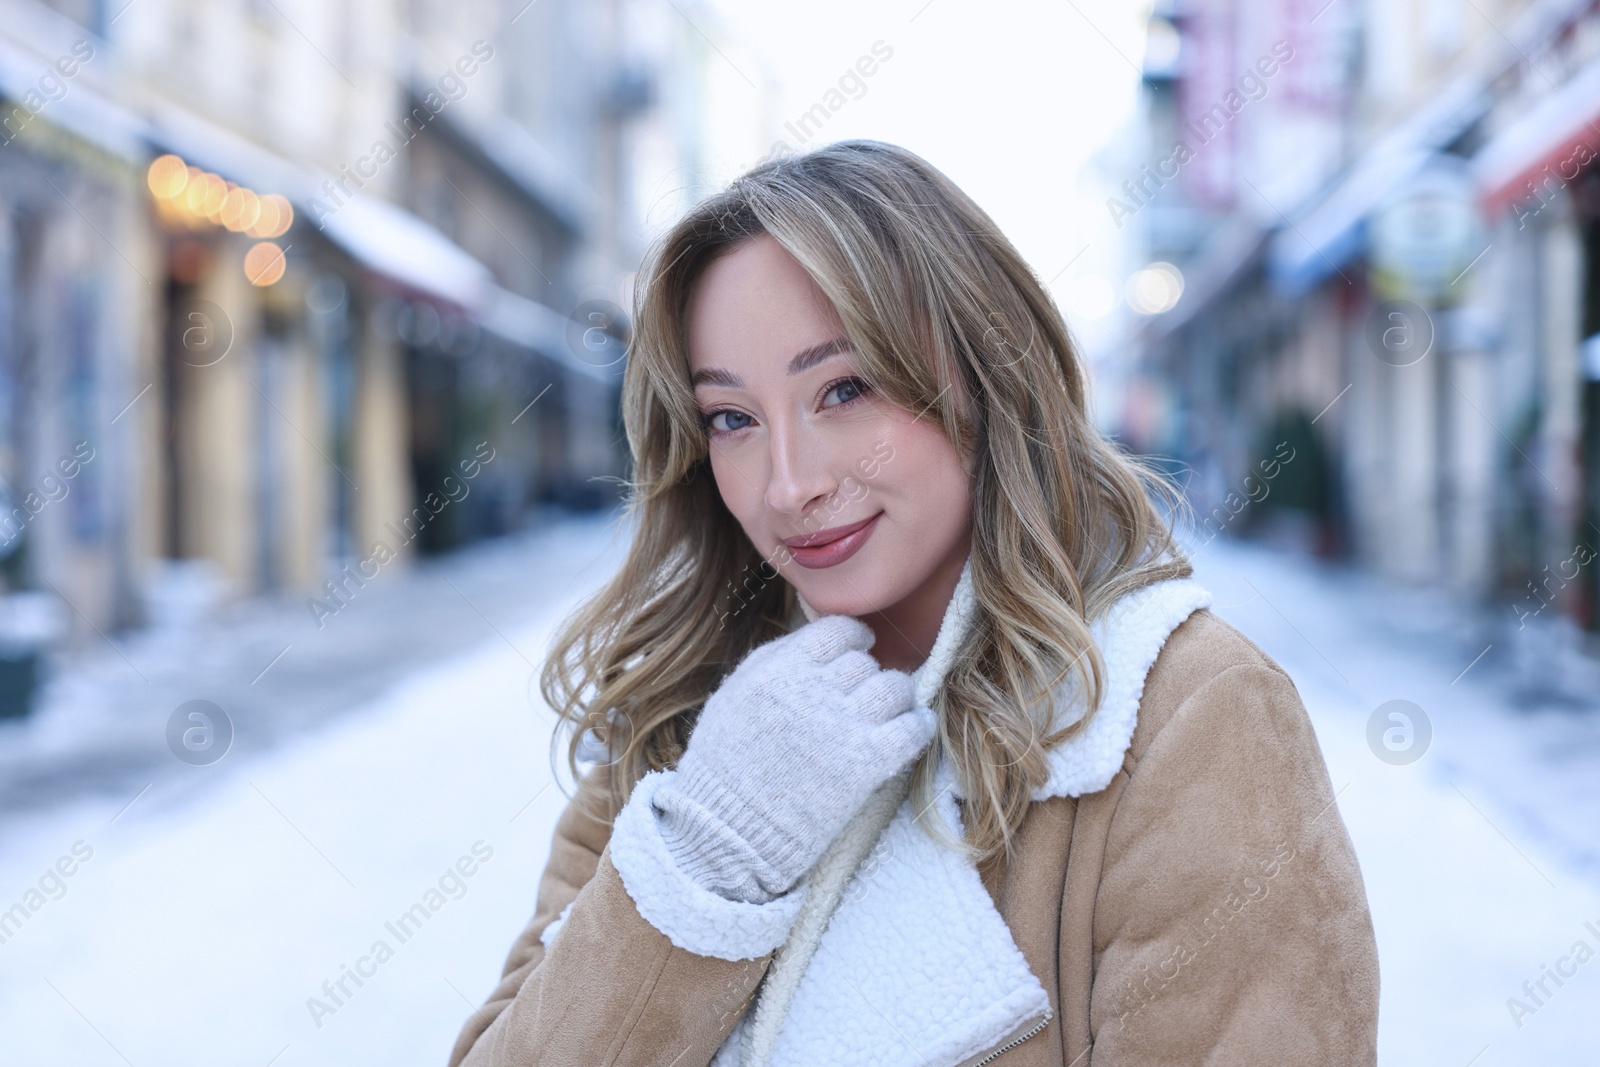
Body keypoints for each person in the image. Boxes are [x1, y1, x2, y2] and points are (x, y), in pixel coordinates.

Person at [447, 140, 1379, 1067]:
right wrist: (706, 866)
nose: (788, 484)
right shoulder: (688, 716)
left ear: (984, 377)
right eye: (732, 417)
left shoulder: (1182, 717)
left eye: (845, 389)